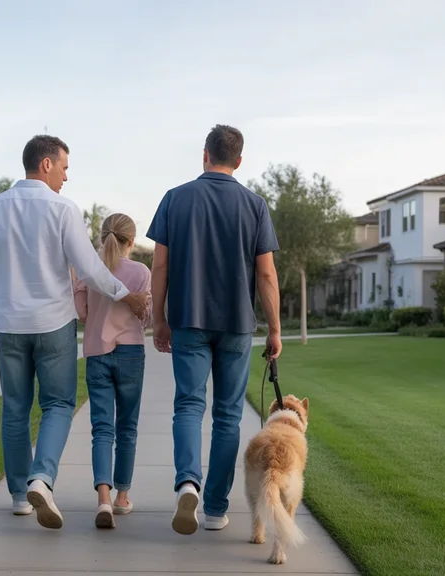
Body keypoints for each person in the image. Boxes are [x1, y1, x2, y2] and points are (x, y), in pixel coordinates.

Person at [0, 134, 150, 530]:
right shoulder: (63, 209)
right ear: (45, 164)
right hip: (53, 325)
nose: (67, 176)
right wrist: (127, 296)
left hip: (10, 325)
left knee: (14, 409)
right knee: (59, 405)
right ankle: (41, 478)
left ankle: (20, 496)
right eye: (64, 167)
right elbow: (89, 269)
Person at [146, 124, 282, 535]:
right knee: (228, 415)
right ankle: (216, 509)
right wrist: (275, 330)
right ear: (238, 161)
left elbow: (160, 265)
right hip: (237, 324)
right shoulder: (255, 204)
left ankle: (187, 481)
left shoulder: (175, 198)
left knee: (188, 405)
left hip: (188, 319)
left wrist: (159, 319)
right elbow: (266, 274)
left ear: (204, 154)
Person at [72, 213, 152, 529]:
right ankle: (121, 498)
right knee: (127, 427)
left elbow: (80, 313)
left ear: (102, 236)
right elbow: (144, 317)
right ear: (131, 241)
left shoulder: (87, 271)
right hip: (131, 352)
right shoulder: (141, 272)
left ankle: (102, 500)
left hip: (96, 353)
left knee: (102, 428)